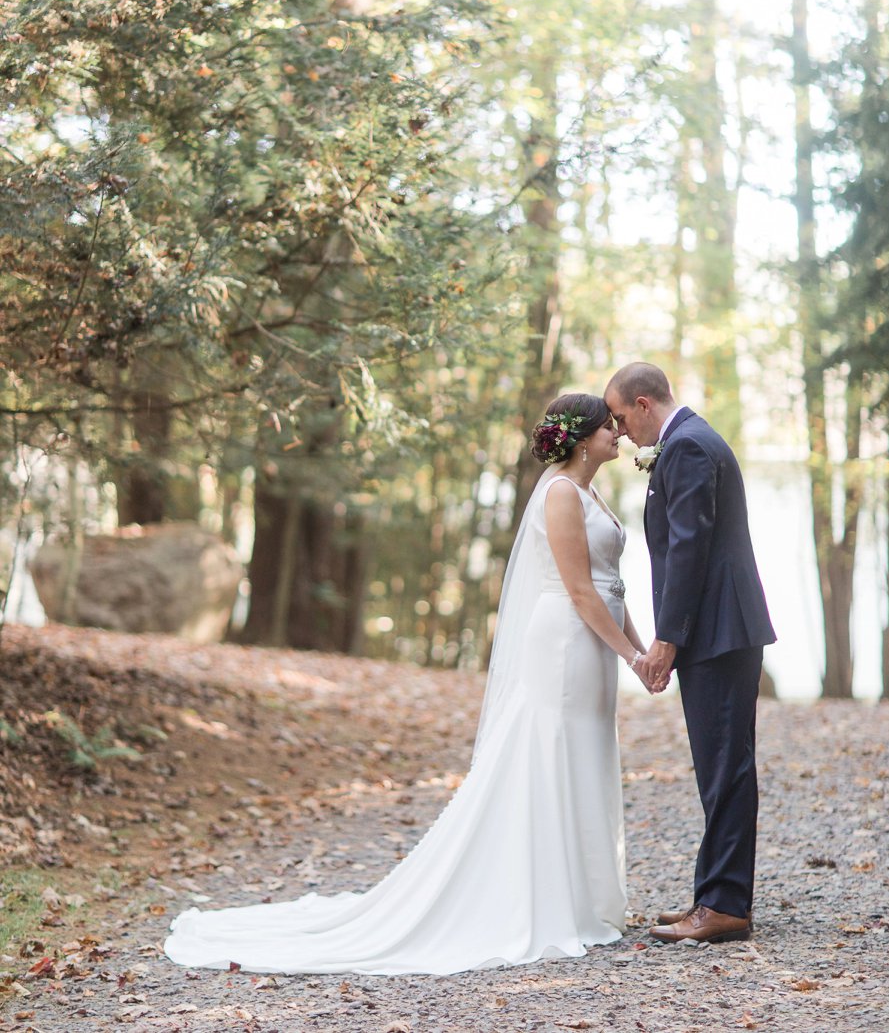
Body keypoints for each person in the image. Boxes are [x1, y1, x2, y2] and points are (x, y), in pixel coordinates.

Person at [164, 393, 656, 976]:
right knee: (550, 753)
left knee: (585, 752)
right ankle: (543, 898)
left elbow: (611, 584)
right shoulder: (558, 494)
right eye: (608, 427)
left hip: (593, 639)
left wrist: (642, 650)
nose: (619, 434)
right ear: (580, 437)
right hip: (567, 641)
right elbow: (578, 590)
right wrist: (631, 657)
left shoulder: (593, 491)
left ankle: (583, 894)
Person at [603, 363, 776, 945]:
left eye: (623, 417)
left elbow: (689, 549)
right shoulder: (688, 441)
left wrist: (665, 640)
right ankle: (714, 896)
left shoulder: (689, 448)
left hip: (719, 630)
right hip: (719, 628)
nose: (621, 431)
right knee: (718, 764)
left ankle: (725, 906)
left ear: (645, 403)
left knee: (725, 764)